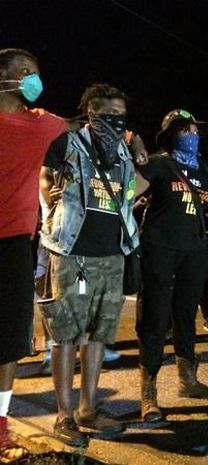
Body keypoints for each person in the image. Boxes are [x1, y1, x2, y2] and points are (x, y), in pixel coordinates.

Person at [40, 83, 138, 447]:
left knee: (99, 333)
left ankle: (87, 408)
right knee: (67, 332)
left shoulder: (125, 152)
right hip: (73, 254)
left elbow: (127, 193)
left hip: (111, 254)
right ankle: (64, 416)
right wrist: (48, 203)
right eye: (106, 115)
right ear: (90, 114)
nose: (114, 122)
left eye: (120, 116)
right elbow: (43, 172)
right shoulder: (69, 143)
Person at [0, 48, 67, 461]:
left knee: (7, 343)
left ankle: (0, 427)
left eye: (36, 73)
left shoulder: (41, 125)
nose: (33, 80)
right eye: (24, 72)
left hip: (13, 245)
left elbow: (86, 129)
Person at [134, 109, 208, 422]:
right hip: (159, 248)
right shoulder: (158, 163)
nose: (192, 134)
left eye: (194, 128)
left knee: (186, 314)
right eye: (184, 130)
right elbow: (129, 193)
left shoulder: (207, 169)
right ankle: (149, 393)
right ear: (170, 135)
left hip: (195, 249)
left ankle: (189, 380)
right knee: (155, 316)